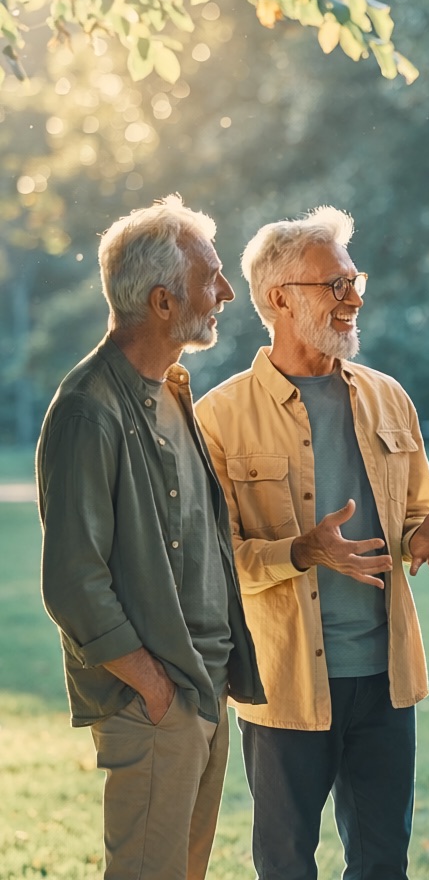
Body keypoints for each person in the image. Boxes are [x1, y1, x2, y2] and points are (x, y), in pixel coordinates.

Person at [195, 206, 429, 880]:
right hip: (285, 683)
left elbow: (413, 515)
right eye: (334, 284)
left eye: (353, 280)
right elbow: (214, 563)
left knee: (383, 864)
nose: (354, 297)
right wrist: (301, 551)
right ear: (279, 298)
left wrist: (421, 535)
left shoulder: (388, 397)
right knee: (285, 864)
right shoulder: (218, 417)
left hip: (384, 679)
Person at [36, 195, 264, 880]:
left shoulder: (172, 389)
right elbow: (73, 580)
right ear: (163, 302)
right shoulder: (88, 410)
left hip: (203, 687)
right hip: (156, 701)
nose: (226, 292)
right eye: (211, 277)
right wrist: (152, 688)